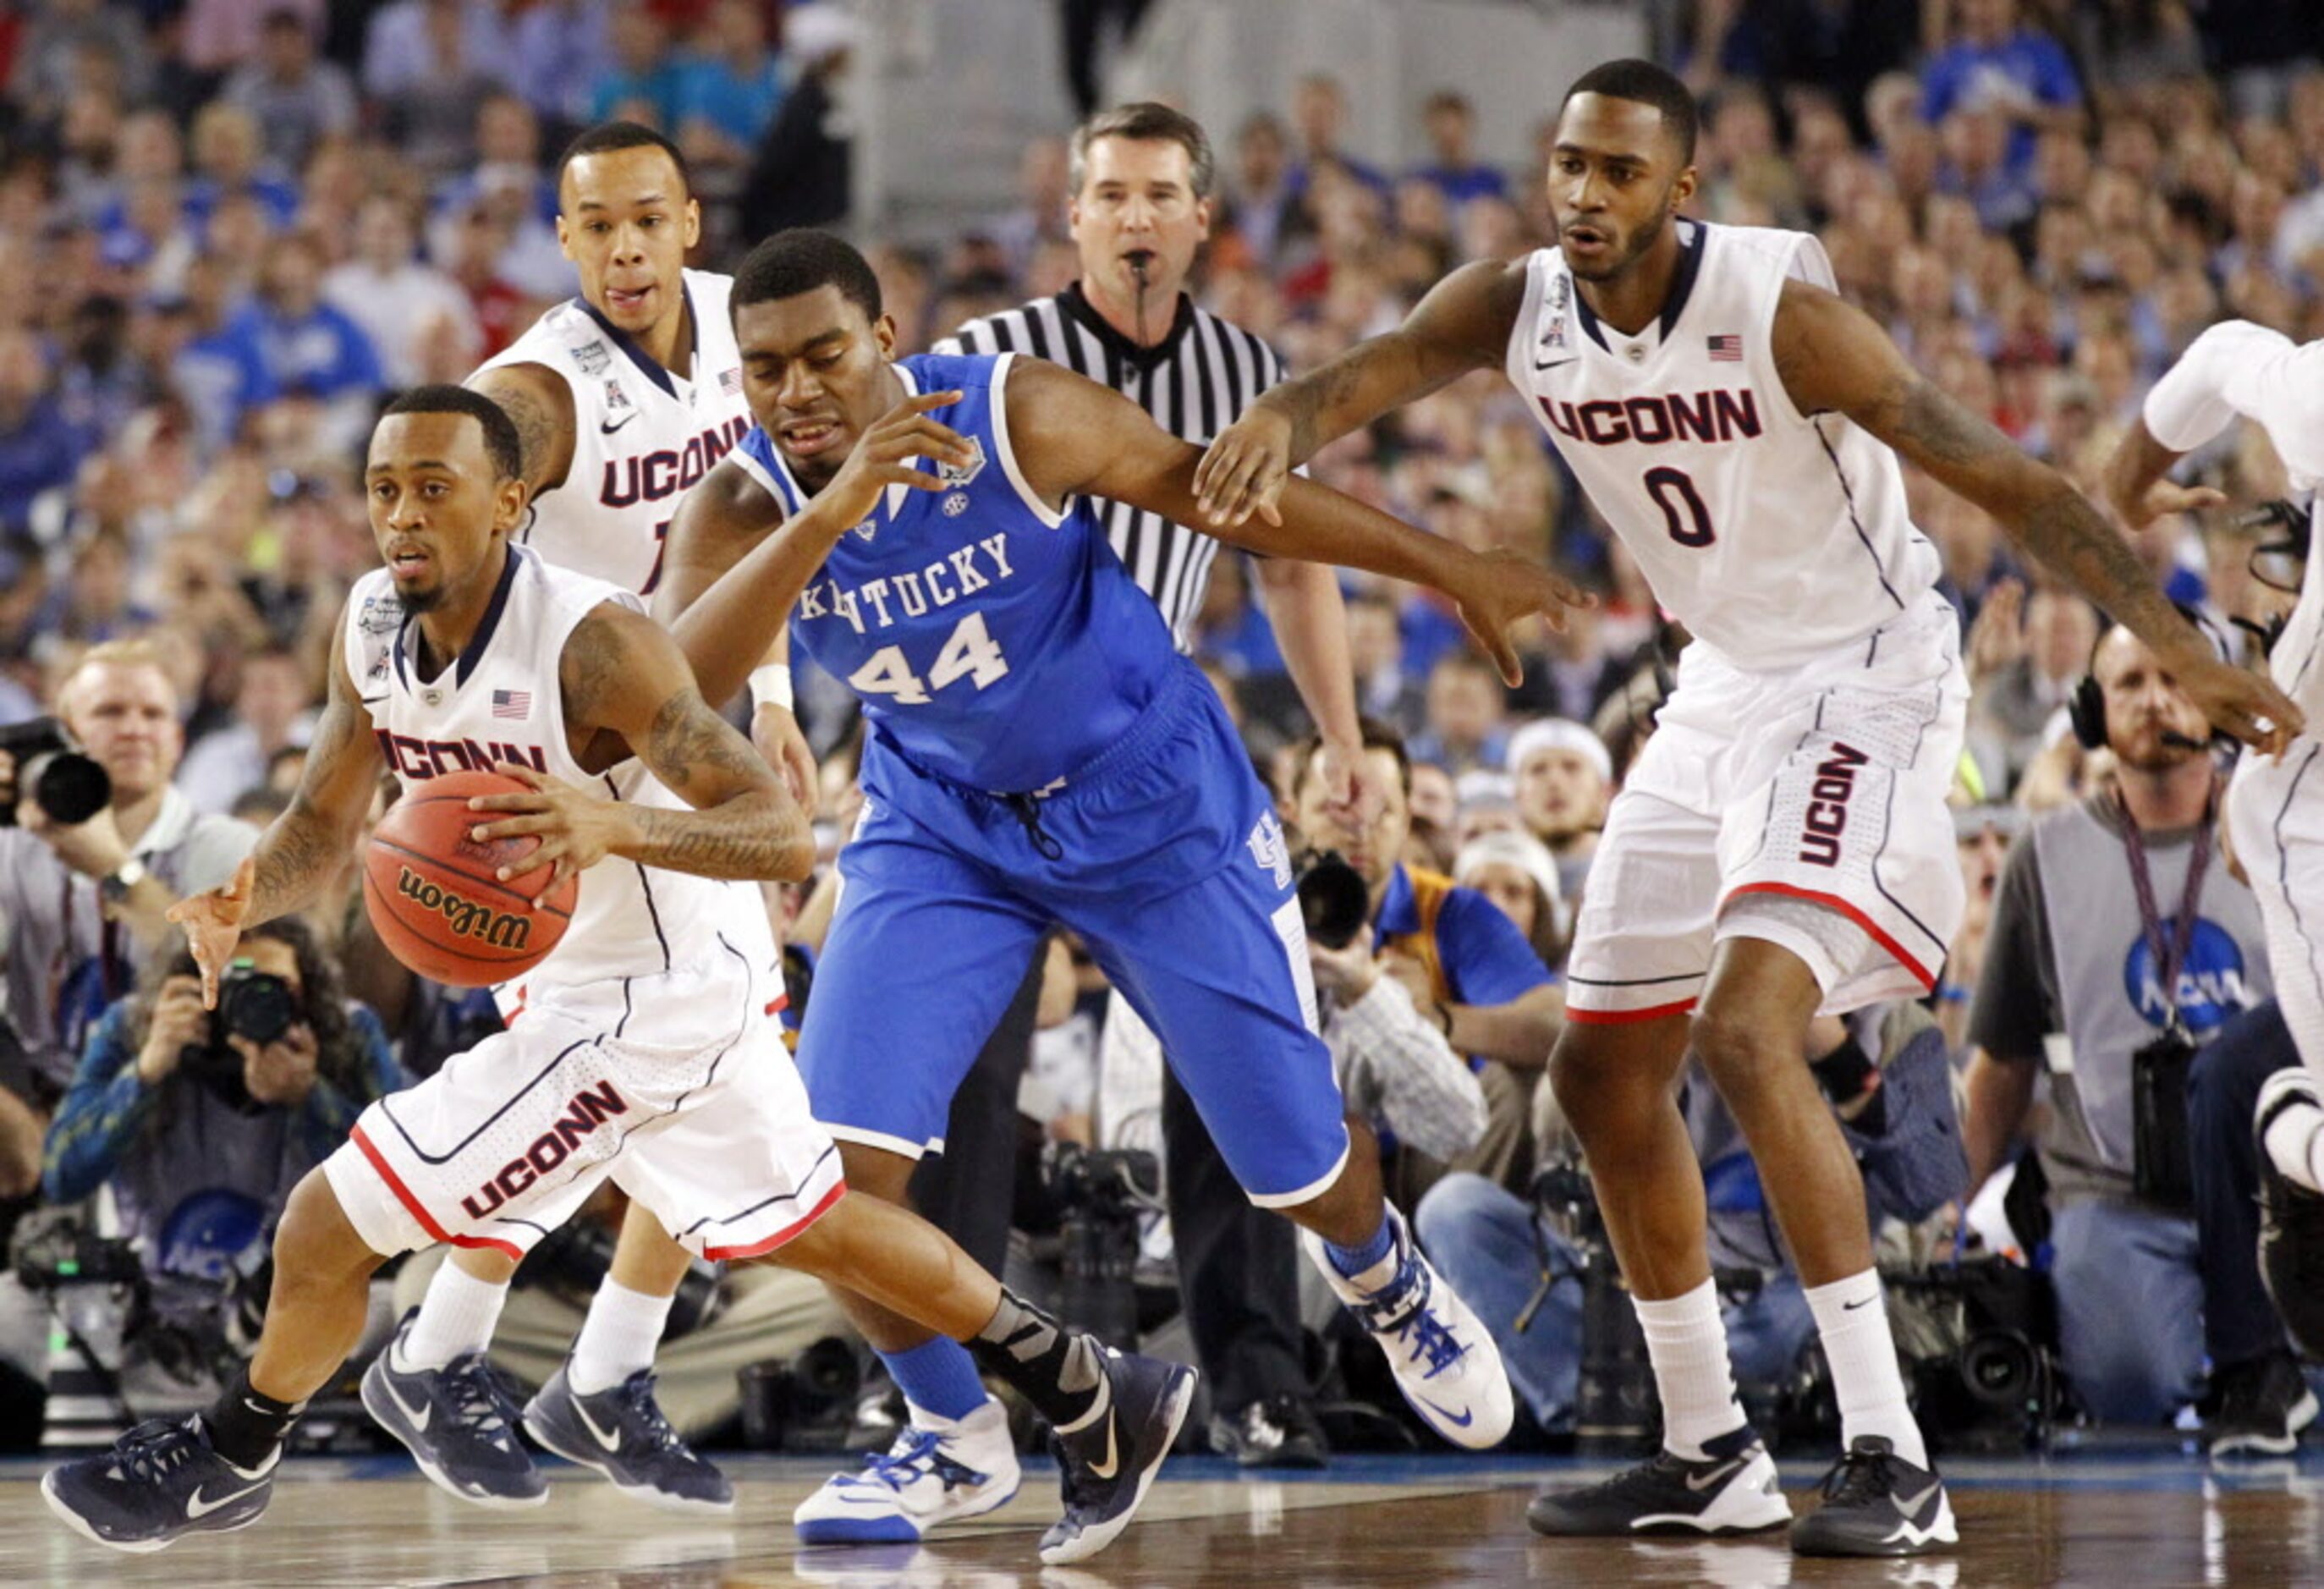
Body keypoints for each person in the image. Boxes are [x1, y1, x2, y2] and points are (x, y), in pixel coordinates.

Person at [1192, 58, 2297, 1557]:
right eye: (1568, 164)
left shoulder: (1782, 310)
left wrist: (2165, 637)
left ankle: (1889, 1456)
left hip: (1868, 674)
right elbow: (1366, 369)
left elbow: (2011, 482)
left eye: (1618, 172)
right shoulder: (1513, 303)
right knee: (1595, 1073)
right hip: (1720, 682)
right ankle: (1711, 1447)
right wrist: (1278, 418)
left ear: (1681, 188)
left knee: (1745, 1023)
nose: (1582, 194)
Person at [41, 387, 1194, 1568]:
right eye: (385, 489)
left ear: (508, 501)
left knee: (329, 1221)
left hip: (645, 1000)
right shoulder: (371, 625)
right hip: (578, 981)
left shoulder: (593, 642)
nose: (402, 516)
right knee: (813, 1225)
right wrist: (248, 891)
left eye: (433, 488)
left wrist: (609, 824)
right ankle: (1095, 1384)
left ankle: (235, 1449)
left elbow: (780, 833)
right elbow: (328, 817)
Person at [657, 229, 1565, 1544]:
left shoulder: (1016, 415)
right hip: (944, 825)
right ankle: (954, 1433)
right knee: (827, 1182)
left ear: (885, 347)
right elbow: (676, 680)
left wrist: (1452, 567)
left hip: (1149, 800)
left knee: (1290, 1160)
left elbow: (1222, 498)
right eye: (764, 367)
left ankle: (1381, 1276)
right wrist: (831, 507)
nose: (794, 387)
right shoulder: (745, 502)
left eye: (823, 355)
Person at [931, 101, 1371, 1470]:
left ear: (1196, 219)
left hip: (1147, 766)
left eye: (1157, 194)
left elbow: (1293, 564)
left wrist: (1343, 739)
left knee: (1226, 1050)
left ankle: (1252, 1372)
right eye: (1107, 192)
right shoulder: (983, 359)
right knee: (958, 1068)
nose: (1131, 215)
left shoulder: (1249, 373)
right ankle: (951, 1378)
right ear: (1072, 216)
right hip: (984, 760)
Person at [379, 119, 794, 1514]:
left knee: (709, 1040)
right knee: (608, 1066)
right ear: (565, 241)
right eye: (594, 225)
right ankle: (448, 1352)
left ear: (690, 221)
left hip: (685, 741)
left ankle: (600, 1373)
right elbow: (441, 502)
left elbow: (758, 513)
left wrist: (778, 685)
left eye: (646, 220)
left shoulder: (750, 330)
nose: (623, 247)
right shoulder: (543, 387)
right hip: (564, 763)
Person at [1962, 624, 2272, 1427]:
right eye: (2130, 682)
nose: (2155, 699)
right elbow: (2002, 1059)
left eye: (2177, 678)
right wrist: (1945, 1212)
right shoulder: (2045, 853)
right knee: (2129, 1392)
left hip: (2273, 1189)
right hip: (2110, 1192)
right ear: (2094, 712)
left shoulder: (2282, 839)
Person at [2100, 317, 2324, 1366]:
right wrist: (2129, 474)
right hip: (2307, 818)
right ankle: (2295, 1134)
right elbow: (2228, 350)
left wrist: (2132, 470)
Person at [41, 915, 400, 1299]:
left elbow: (403, 1189)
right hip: (159, 1292)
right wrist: (145, 1072)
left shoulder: (349, 1031)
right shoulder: (136, 1028)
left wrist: (309, 1095)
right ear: (194, 981)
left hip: (305, 1295)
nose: (252, 1001)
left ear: (306, 992)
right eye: (231, 983)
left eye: (273, 987)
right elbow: (62, 1176)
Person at [1283, 718, 1562, 1199]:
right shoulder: (1257, 911)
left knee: (1524, 1081)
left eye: (1382, 811)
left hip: (1432, 1153)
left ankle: (1459, 1237)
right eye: (1337, 810)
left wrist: (1431, 1017)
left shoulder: (1448, 909)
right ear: (1293, 814)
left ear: (1409, 820)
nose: (1360, 830)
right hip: (1298, 1156)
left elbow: (1556, 1027)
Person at [0, 639, 257, 1095]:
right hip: (41, 1101)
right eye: (110, 712)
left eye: (153, 715)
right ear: (66, 734)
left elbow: (229, 988)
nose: (134, 729)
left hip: (182, 1100)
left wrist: (117, 872)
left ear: (178, 741)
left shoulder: (229, 847)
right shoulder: (16, 844)